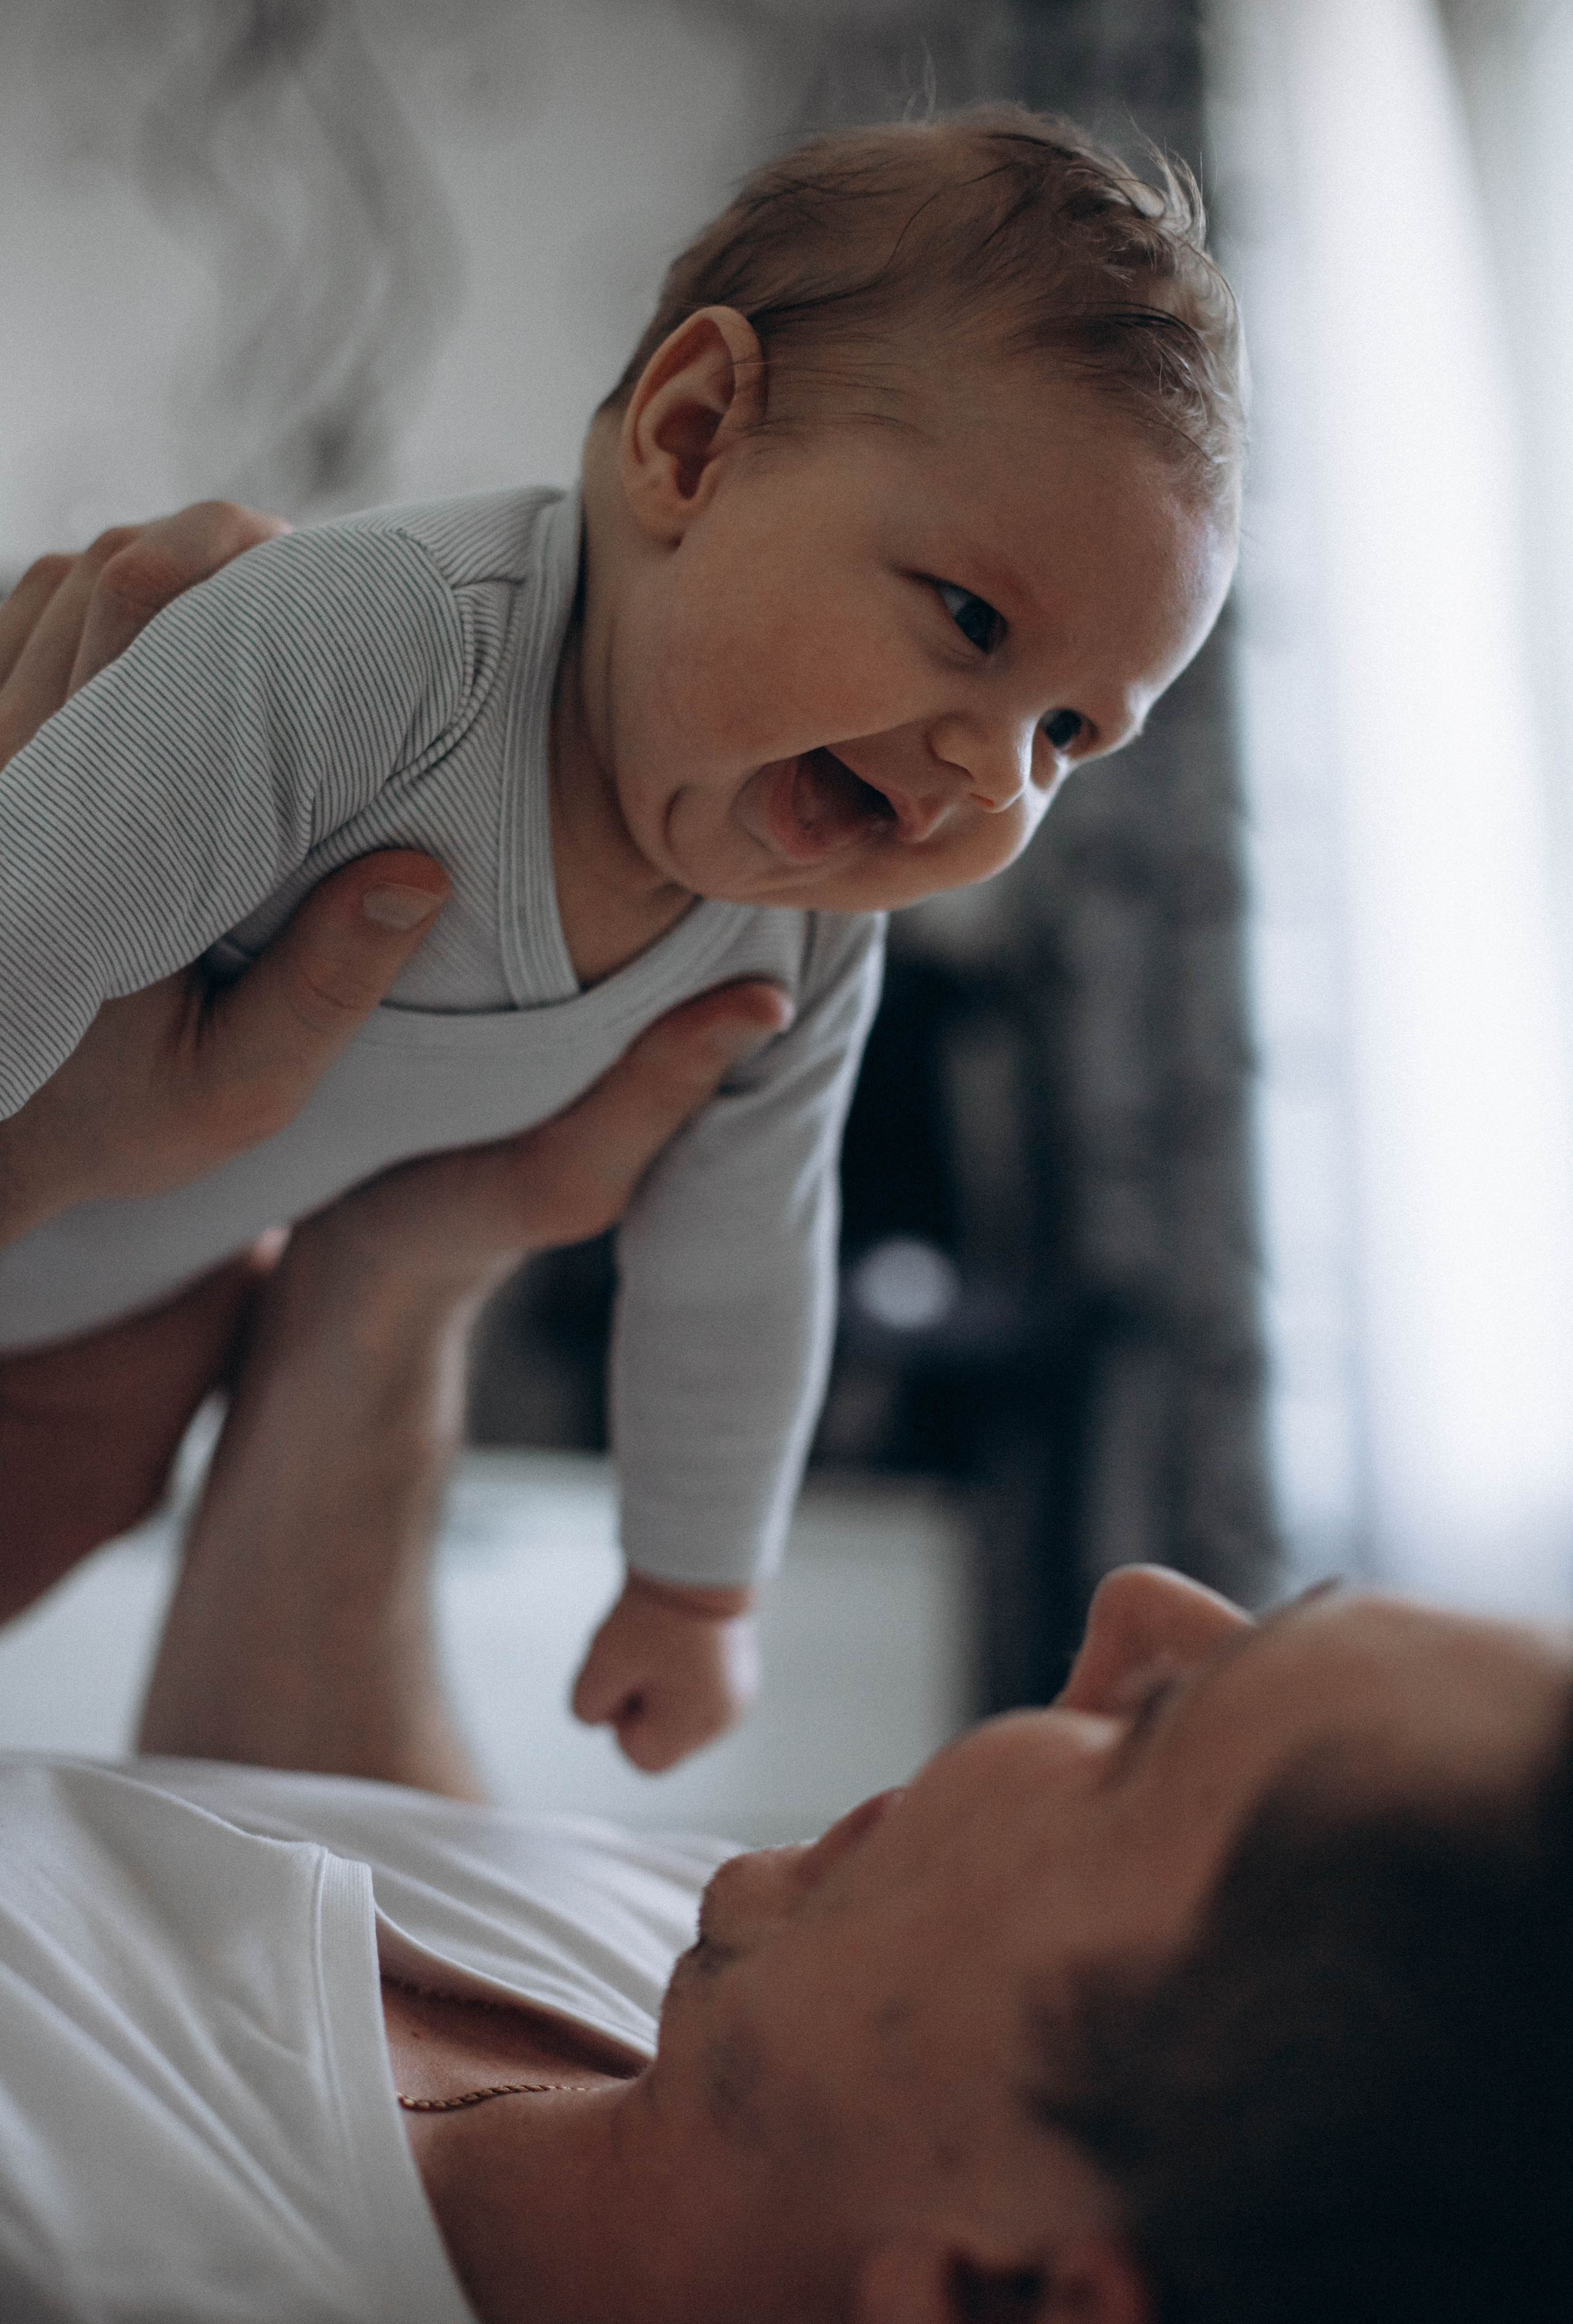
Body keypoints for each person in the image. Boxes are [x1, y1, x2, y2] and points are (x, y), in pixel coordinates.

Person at [1, 507, 1567, 2324]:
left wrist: (36, 1157)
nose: (1134, 1602)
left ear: (1028, 2285)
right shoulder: (797, 2018)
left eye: (1151, 1747)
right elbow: (307, 1860)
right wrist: (409, 1249)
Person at [0, 103, 1242, 1767]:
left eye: (1071, 735)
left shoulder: (793, 947)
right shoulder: (394, 648)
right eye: (970, 619)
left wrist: (697, 1587)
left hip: (128, 1310)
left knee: (77, 1489)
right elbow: (43, 903)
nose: (989, 769)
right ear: (693, 436)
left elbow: (745, 1258)